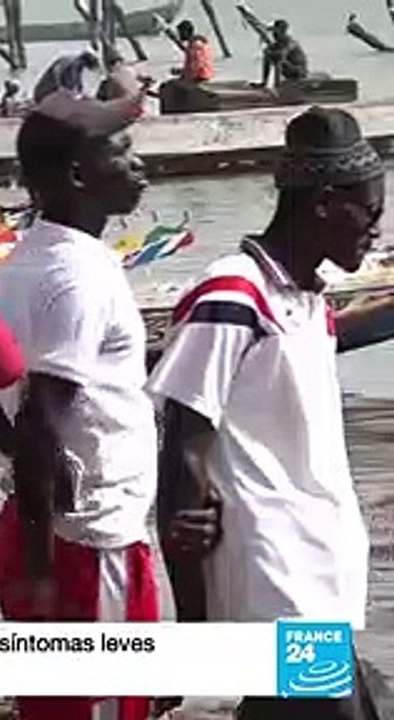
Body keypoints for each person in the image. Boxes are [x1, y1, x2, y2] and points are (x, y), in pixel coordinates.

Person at [147, 107, 381, 720]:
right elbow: (183, 447)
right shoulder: (232, 295)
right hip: (274, 573)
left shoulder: (311, 306)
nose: (376, 232)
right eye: (370, 213)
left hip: (322, 565)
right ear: (326, 202)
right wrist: (192, 628)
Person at [0, 90, 159, 720]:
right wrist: (42, 561)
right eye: (122, 152)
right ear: (80, 176)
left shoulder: (21, 264)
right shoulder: (78, 279)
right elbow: (38, 421)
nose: (139, 165)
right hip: (85, 544)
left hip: (54, 530)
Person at [32, 50, 100, 104]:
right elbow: (60, 74)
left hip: (47, 90)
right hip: (45, 92)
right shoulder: (74, 62)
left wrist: (79, 89)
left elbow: (76, 80)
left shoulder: (76, 61)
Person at [262, 19, 308, 87]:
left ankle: (277, 86)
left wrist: (274, 53)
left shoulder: (291, 42)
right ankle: (264, 82)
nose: (273, 35)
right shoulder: (277, 44)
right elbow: (271, 51)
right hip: (287, 70)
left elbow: (284, 53)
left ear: (282, 31)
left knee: (279, 60)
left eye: (276, 32)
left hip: (298, 71)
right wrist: (268, 51)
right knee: (267, 57)